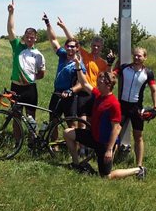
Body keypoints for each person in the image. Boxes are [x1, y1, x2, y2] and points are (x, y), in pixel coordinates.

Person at [64, 55, 147, 180]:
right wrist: (78, 67)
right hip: (93, 137)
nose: (98, 84)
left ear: (108, 85)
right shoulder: (98, 94)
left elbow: (116, 129)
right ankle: (76, 163)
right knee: (67, 133)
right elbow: (84, 83)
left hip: (105, 144)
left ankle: (138, 169)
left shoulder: (114, 104)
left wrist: (109, 150)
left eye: (100, 82)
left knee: (106, 176)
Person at [57, 17, 114, 155]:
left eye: (98, 46)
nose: (95, 48)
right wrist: (64, 27)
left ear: (101, 48)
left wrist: (111, 63)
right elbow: (73, 41)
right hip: (83, 91)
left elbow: (109, 77)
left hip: (95, 94)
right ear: (91, 46)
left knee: (92, 121)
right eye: (93, 45)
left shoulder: (103, 62)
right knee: (82, 121)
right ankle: (82, 149)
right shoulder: (84, 55)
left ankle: (91, 146)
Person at [114, 47, 156, 167]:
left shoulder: (148, 73)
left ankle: (139, 166)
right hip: (122, 106)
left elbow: (154, 90)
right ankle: (109, 161)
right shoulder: (124, 68)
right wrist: (112, 63)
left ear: (145, 58)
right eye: (134, 55)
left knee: (138, 137)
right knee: (114, 132)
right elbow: (111, 77)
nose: (136, 57)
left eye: (139, 56)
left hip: (137, 108)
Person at [7, 0, 45, 135]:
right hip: (15, 88)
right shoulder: (18, 47)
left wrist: (30, 78)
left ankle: (32, 143)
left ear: (35, 38)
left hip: (30, 89)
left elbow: (41, 73)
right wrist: (11, 13)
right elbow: (10, 30)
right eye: (27, 37)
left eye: (32, 38)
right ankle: (17, 143)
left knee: (31, 119)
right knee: (16, 118)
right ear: (24, 37)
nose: (29, 39)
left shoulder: (39, 55)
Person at [43, 13, 85, 126]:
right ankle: (54, 144)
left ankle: (71, 144)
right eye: (68, 46)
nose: (70, 49)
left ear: (77, 49)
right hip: (56, 93)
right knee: (53, 122)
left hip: (70, 96)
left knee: (71, 124)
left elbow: (82, 83)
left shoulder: (79, 63)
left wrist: (71, 90)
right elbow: (53, 40)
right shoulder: (62, 55)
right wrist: (48, 23)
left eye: (72, 46)